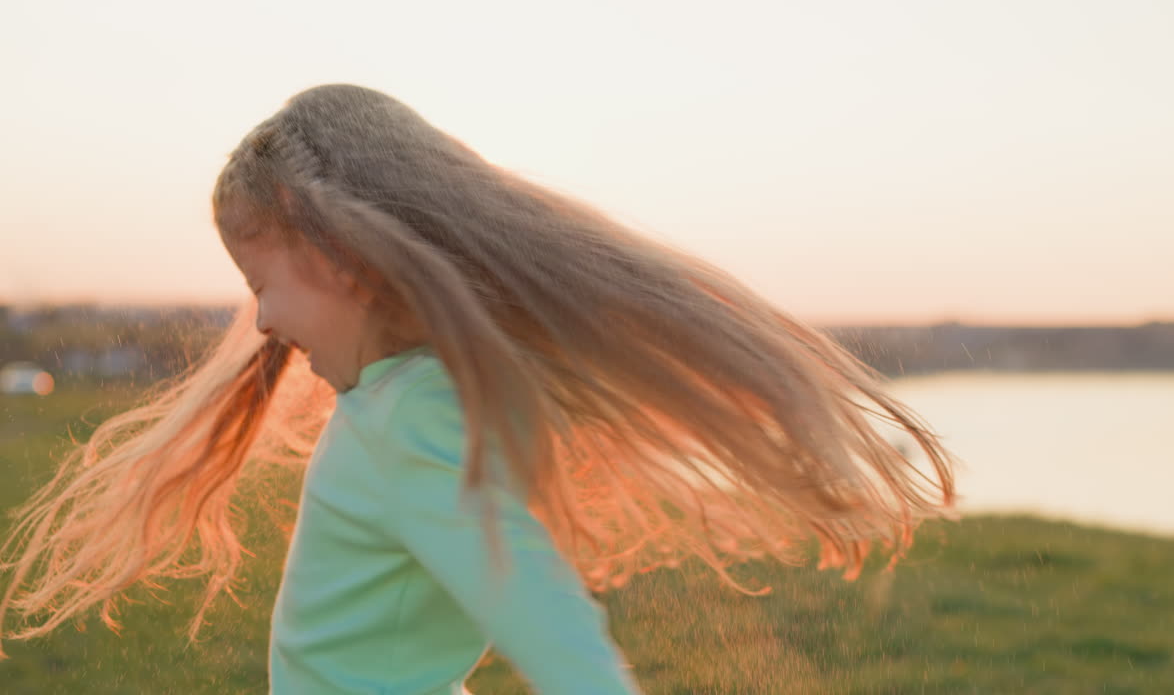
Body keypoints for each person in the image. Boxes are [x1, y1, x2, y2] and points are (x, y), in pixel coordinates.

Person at [0, 84, 955, 693]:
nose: (259, 323)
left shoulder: (407, 419)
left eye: (261, 285)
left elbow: (537, 609)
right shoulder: (399, 402)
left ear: (339, 257)